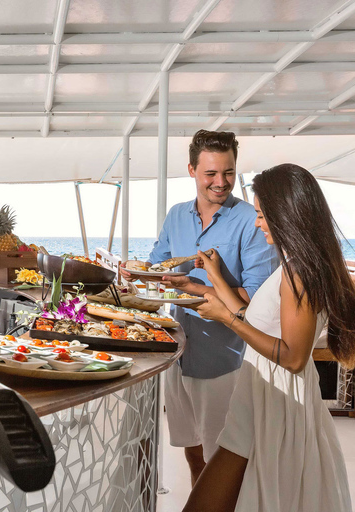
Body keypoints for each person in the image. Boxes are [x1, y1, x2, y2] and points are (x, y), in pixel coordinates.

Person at [183, 164, 355, 512]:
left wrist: (226, 318)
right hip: (259, 399)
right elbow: (261, 322)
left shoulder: (298, 273)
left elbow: (292, 357)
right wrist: (209, 281)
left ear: (286, 215)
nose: (257, 223)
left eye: (262, 215)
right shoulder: (297, 264)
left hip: (276, 404)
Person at [121, 130, 277, 485]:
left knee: (223, 468)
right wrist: (133, 271)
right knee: (193, 456)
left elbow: (255, 297)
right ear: (192, 170)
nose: (221, 183)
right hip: (178, 355)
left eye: (228, 172)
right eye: (211, 174)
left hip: (225, 361)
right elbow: (156, 268)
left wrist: (196, 287)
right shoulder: (176, 215)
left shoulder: (250, 222)